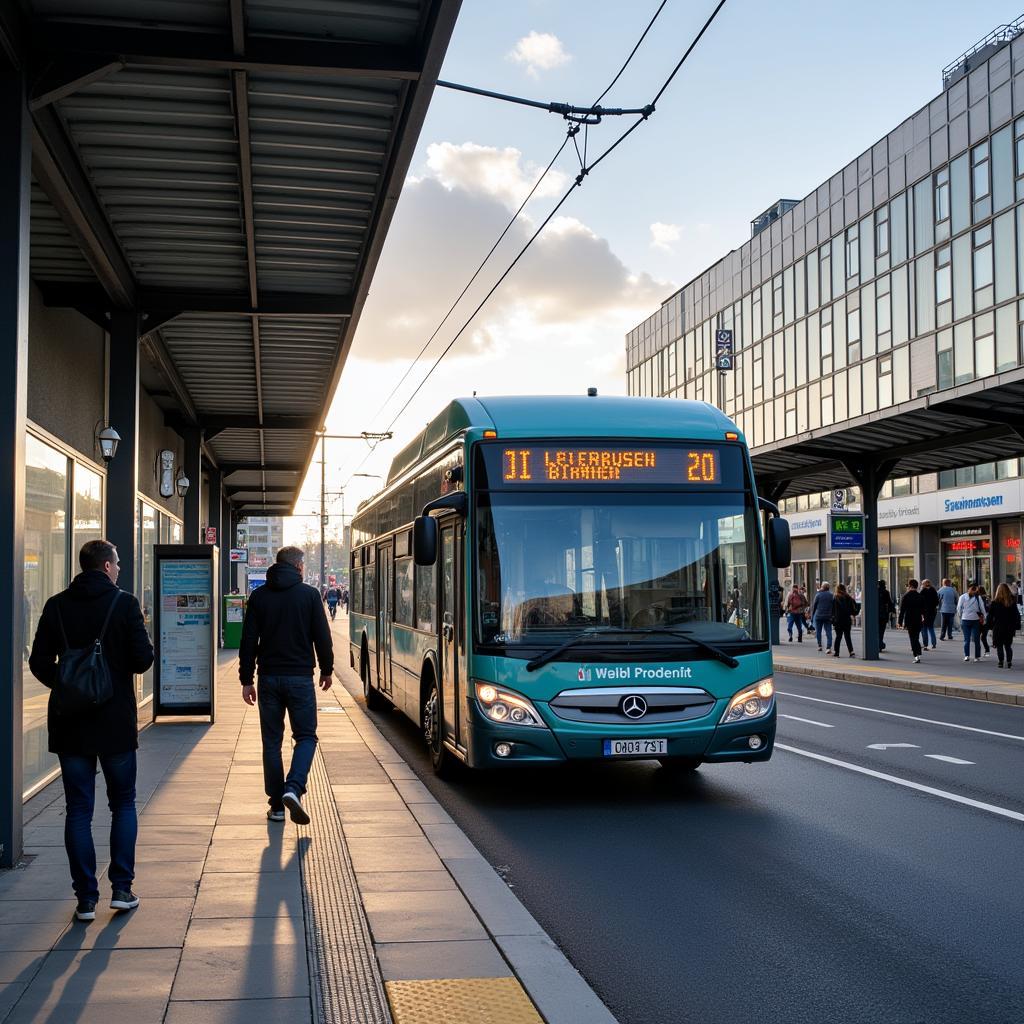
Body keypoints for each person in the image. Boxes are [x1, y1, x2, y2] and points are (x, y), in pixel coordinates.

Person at [28, 539, 154, 922]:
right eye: (116, 563)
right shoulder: (126, 603)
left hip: (70, 721)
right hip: (114, 721)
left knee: (78, 809)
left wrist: (69, 684)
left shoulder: (56, 605)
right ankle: (121, 889)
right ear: (105, 566)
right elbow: (143, 660)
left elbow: (38, 662)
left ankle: (85, 899)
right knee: (123, 803)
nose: (118, 569)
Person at [240, 546, 334, 825]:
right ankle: (293, 788)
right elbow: (322, 637)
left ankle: (277, 806)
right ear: (298, 567)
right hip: (300, 679)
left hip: (268, 678)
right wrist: (327, 670)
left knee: (272, 742)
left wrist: (247, 679)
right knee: (306, 736)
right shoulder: (309, 595)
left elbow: (248, 642)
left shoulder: (259, 597)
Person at [987, 583, 1021, 668]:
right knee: (1008, 645)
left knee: (999, 646)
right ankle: (1009, 661)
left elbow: (990, 616)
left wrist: (989, 626)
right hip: (1009, 627)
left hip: (998, 627)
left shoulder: (994, 603)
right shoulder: (1011, 602)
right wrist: (1017, 626)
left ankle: (1000, 662)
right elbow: (1016, 615)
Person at [897, 579, 926, 663]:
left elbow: (902, 610)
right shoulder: (920, 596)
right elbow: (924, 610)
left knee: (912, 638)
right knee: (916, 637)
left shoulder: (906, 596)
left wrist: (899, 622)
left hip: (909, 620)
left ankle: (916, 655)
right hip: (918, 619)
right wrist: (924, 618)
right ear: (917, 586)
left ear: (909, 586)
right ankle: (918, 652)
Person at [955, 584, 986, 663]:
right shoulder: (963, 597)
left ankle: (976, 656)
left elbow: (982, 608)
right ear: (968, 589)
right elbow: (959, 608)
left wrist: (984, 617)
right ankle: (967, 655)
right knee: (967, 639)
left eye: (975, 590)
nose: (973, 591)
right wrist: (961, 616)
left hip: (974, 620)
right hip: (966, 620)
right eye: (972, 589)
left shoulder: (977, 597)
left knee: (976, 639)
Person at [830, 583, 858, 657]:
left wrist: (832, 619)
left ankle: (836, 652)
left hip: (838, 620)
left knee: (838, 636)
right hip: (847, 620)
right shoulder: (849, 597)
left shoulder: (835, 598)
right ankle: (851, 651)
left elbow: (832, 610)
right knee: (847, 636)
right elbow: (853, 609)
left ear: (837, 589)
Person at [810, 582, 835, 652]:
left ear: (822, 587)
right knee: (828, 632)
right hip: (828, 616)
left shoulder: (818, 595)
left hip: (819, 616)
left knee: (818, 631)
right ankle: (828, 647)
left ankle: (819, 645)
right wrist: (833, 615)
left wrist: (812, 616)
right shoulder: (831, 595)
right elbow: (834, 606)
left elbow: (814, 606)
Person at [919, 579, 939, 650]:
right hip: (932, 612)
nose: (921, 585)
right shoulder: (933, 590)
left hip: (924, 612)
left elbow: (919, 601)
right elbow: (937, 602)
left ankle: (925, 645)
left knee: (924, 628)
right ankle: (934, 644)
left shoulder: (922, 591)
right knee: (931, 628)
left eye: (922, 584)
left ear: (924, 584)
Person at [877, 580, 895, 651]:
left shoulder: (875, 592)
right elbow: (890, 603)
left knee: (876, 630)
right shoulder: (886, 592)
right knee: (881, 630)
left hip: (876, 615)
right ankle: (880, 644)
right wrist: (893, 611)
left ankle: (879, 644)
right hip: (884, 615)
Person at [977, 586, 992, 657]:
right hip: (986, 619)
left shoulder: (977, 598)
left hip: (979, 619)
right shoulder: (988, 598)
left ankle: (979, 653)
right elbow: (989, 608)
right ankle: (987, 650)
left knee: (978, 636)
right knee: (983, 636)